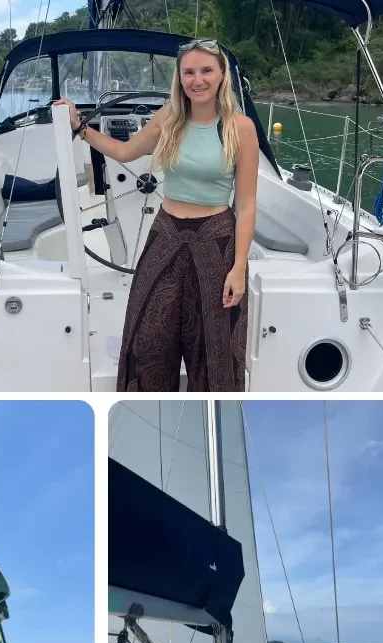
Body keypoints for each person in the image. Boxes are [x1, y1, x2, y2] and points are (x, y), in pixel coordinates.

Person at [55, 38, 260, 391]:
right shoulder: (169, 118)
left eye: (207, 71)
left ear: (222, 75)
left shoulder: (241, 129)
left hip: (217, 239)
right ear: (179, 78)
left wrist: (239, 268)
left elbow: (246, 204)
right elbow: (124, 151)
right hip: (165, 233)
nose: (198, 80)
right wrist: (79, 127)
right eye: (189, 72)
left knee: (213, 349)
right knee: (147, 340)